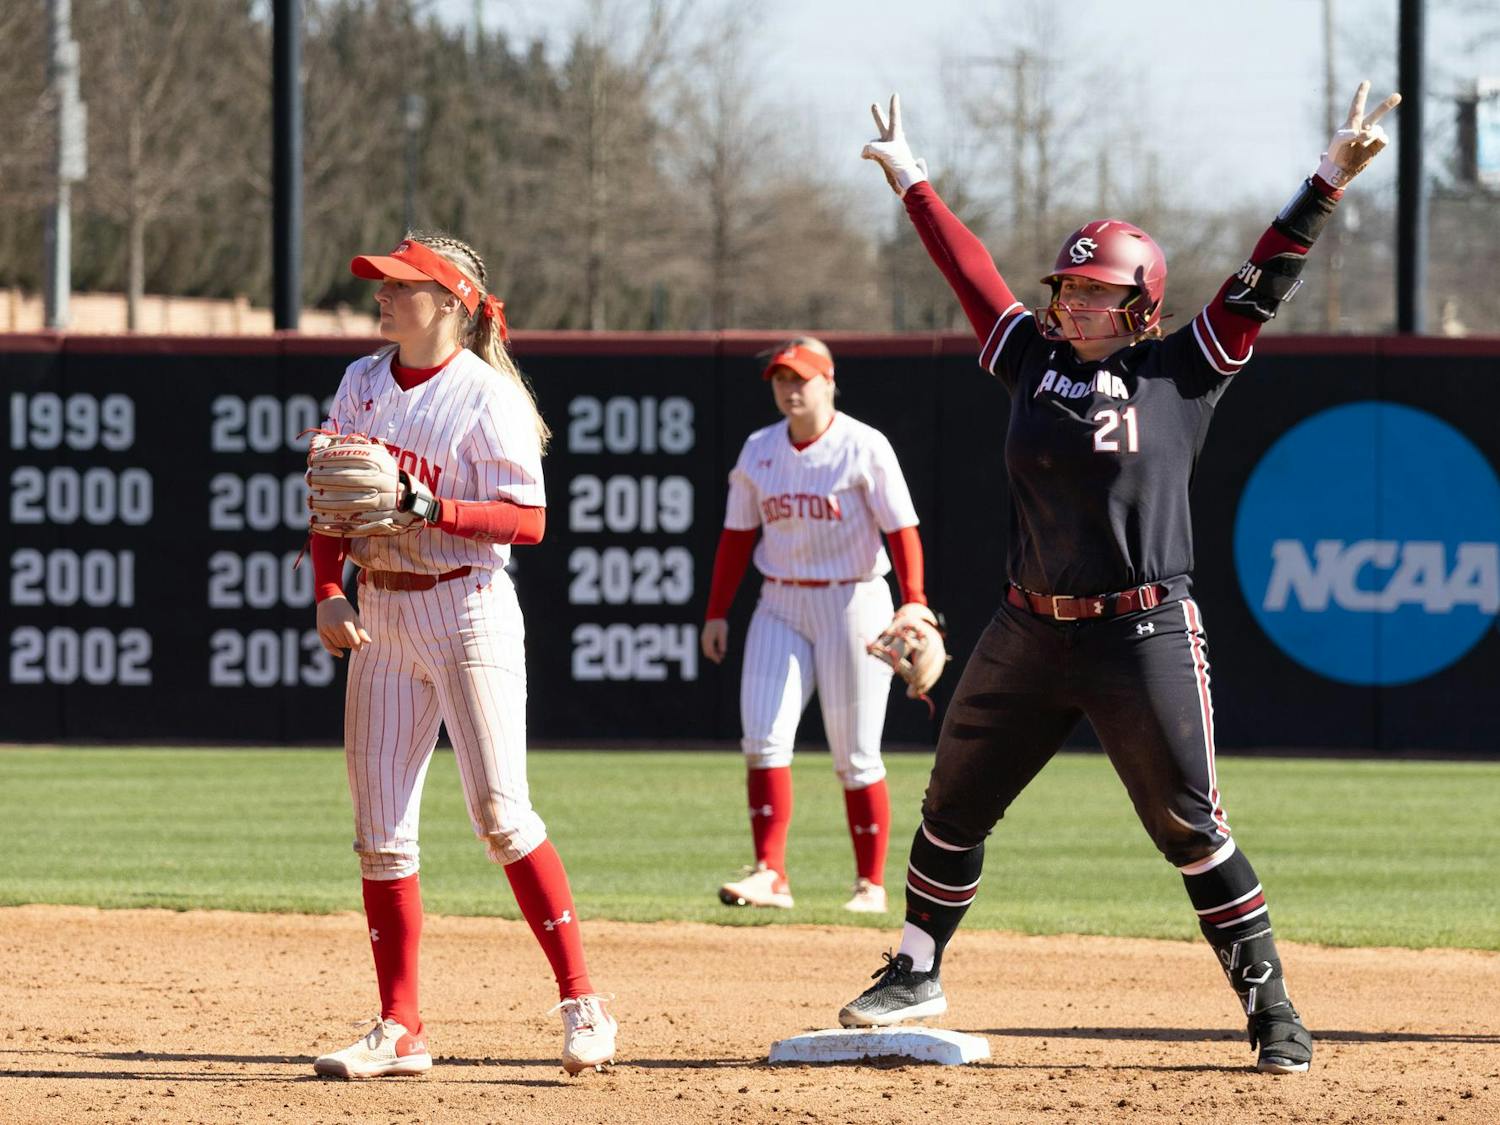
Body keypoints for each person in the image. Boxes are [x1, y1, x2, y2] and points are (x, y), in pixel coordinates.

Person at [838, 84, 1400, 1075]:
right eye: (1067, 288)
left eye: (1095, 291)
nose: (1072, 302)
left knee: (1190, 825)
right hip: (1028, 626)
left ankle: (1272, 1010)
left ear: (1140, 301)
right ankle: (917, 967)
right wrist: (914, 181)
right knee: (954, 803)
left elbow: (1262, 280)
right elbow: (972, 276)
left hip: (1142, 632)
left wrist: (1326, 182)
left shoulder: (1186, 366)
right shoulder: (1030, 359)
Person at [307, 233, 618, 1079]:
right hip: (381, 613)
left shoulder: (488, 398)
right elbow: (331, 500)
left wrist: (430, 504)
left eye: (400, 285)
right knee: (381, 836)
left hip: (468, 606)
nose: (382, 296)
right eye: (381, 283)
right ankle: (400, 1027)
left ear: (449, 301)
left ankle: (583, 1002)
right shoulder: (361, 382)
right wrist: (327, 590)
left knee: (501, 813)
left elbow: (529, 520)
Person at [702, 336, 936, 914]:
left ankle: (871, 885)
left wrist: (914, 601)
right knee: (761, 739)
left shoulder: (863, 446)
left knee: (855, 753)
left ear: (829, 382)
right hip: (780, 601)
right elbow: (735, 539)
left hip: (854, 601)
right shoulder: (759, 450)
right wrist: (716, 612)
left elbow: (901, 528)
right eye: (781, 379)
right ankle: (770, 874)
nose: (790, 389)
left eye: (801, 378)